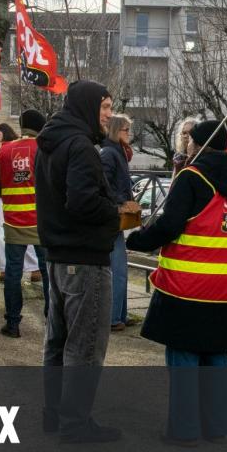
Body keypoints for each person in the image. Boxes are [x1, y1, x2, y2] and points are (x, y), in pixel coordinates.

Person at [126, 120, 227, 446]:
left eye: (190, 140)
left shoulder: (192, 178)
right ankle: (216, 427)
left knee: (183, 358)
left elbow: (169, 226)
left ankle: (183, 430)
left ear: (197, 143)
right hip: (223, 290)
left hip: (185, 286)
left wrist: (134, 240)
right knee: (214, 357)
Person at [36, 80, 121, 443]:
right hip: (85, 260)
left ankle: (54, 415)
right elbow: (83, 202)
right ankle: (75, 423)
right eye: (104, 106)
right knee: (84, 345)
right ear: (88, 106)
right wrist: (116, 213)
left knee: (57, 342)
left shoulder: (51, 143)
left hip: (56, 257)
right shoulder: (81, 146)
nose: (108, 115)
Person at [0, 110, 50, 338]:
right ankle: (50, 321)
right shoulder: (45, 149)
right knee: (47, 272)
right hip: (42, 223)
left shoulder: (3, 151)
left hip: (13, 222)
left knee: (13, 274)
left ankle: (12, 324)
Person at [0, 122, 42, 285]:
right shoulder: (39, 147)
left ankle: (12, 310)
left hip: (10, 211)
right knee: (45, 264)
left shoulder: (2, 152)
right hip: (35, 213)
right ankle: (49, 307)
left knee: (13, 263)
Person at [100, 114, 135, 331]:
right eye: (125, 130)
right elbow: (105, 185)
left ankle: (120, 315)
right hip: (113, 216)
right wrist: (121, 203)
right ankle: (114, 317)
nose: (128, 134)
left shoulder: (117, 152)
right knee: (118, 270)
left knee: (120, 269)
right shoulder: (110, 153)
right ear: (115, 130)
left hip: (116, 216)